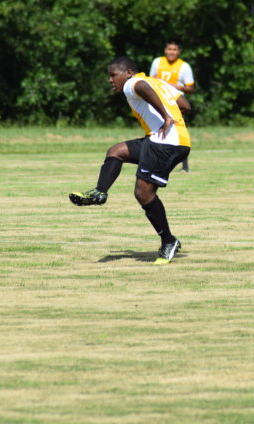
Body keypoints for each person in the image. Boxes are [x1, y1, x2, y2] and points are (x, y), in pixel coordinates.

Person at [69, 56, 191, 264]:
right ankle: (100, 192)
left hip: (165, 142)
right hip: (167, 139)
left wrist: (165, 116)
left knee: (143, 193)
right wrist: (169, 115)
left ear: (128, 72)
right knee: (116, 151)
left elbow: (142, 87)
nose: (110, 80)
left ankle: (168, 241)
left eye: (113, 75)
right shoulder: (159, 83)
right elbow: (185, 105)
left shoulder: (132, 83)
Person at [150, 39, 195, 172]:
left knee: (179, 132)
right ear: (165, 50)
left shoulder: (184, 66)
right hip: (159, 101)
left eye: (174, 50)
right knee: (157, 129)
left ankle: (184, 166)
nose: (171, 52)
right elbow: (151, 80)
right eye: (169, 49)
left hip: (176, 103)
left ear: (179, 52)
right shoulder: (157, 62)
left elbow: (191, 88)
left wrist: (176, 86)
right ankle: (156, 161)